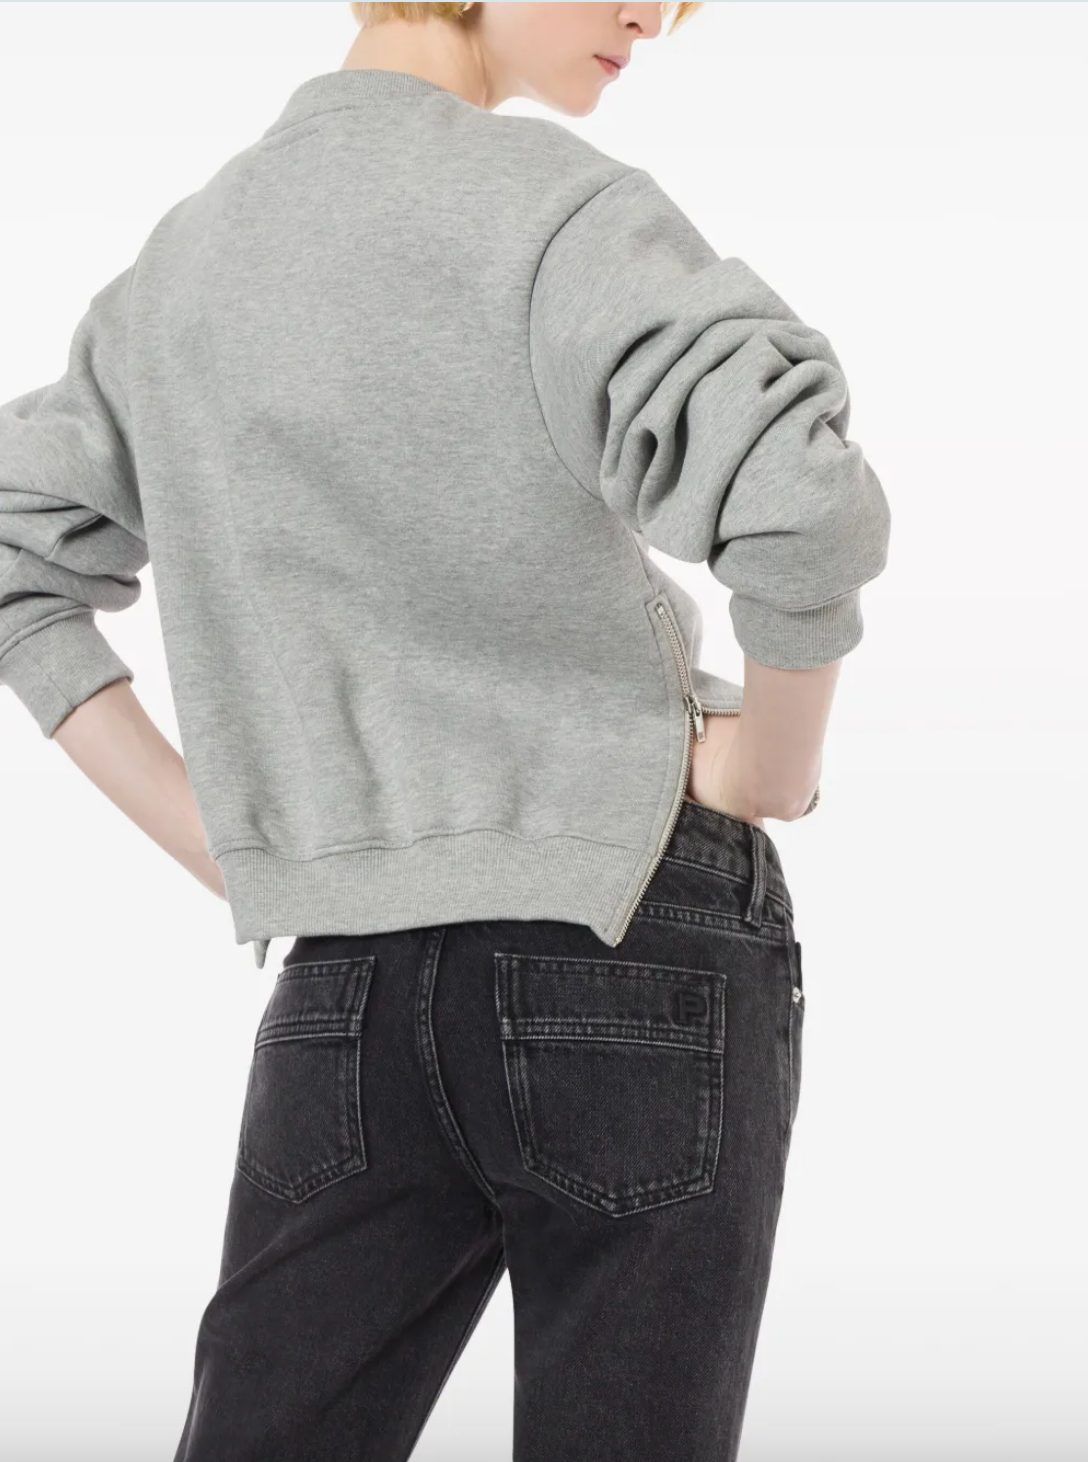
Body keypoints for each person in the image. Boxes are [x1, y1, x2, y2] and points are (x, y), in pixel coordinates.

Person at [0, 4, 890, 1458]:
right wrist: (769, 769)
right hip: (626, 918)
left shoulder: (180, 271)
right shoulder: (557, 214)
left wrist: (238, 845)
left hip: (344, 977)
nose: (653, 12)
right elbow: (806, 498)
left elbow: (15, 553)